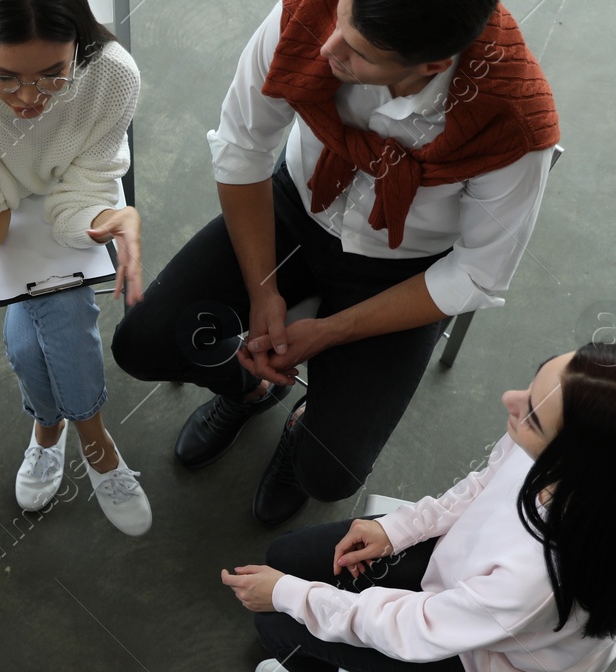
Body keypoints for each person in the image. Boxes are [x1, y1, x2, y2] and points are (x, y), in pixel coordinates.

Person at [111, 0, 559, 528]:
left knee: (331, 476)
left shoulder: (513, 119)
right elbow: (244, 145)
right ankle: (250, 388)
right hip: (293, 206)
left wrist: (330, 333)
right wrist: (262, 289)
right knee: (141, 345)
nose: (328, 48)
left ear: (433, 66)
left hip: (403, 267)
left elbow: (477, 272)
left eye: (360, 52)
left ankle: (303, 425)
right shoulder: (313, 12)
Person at [221, 343, 616, 672]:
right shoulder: (583, 461)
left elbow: (413, 627)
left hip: (493, 670)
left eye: (531, 413)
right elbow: (482, 484)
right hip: (465, 589)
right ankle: (325, 647)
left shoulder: (536, 579)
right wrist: (398, 529)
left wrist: (290, 596)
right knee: (288, 557)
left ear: (577, 461)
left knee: (277, 624)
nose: (510, 401)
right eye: (531, 388)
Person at [0, 0, 152, 534]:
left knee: (38, 316)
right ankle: (96, 440)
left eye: (53, 76)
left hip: (66, 185)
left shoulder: (110, 74)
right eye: (4, 77)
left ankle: (47, 428)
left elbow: (78, 195)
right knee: (59, 302)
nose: (29, 99)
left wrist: (112, 214)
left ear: (78, 48)